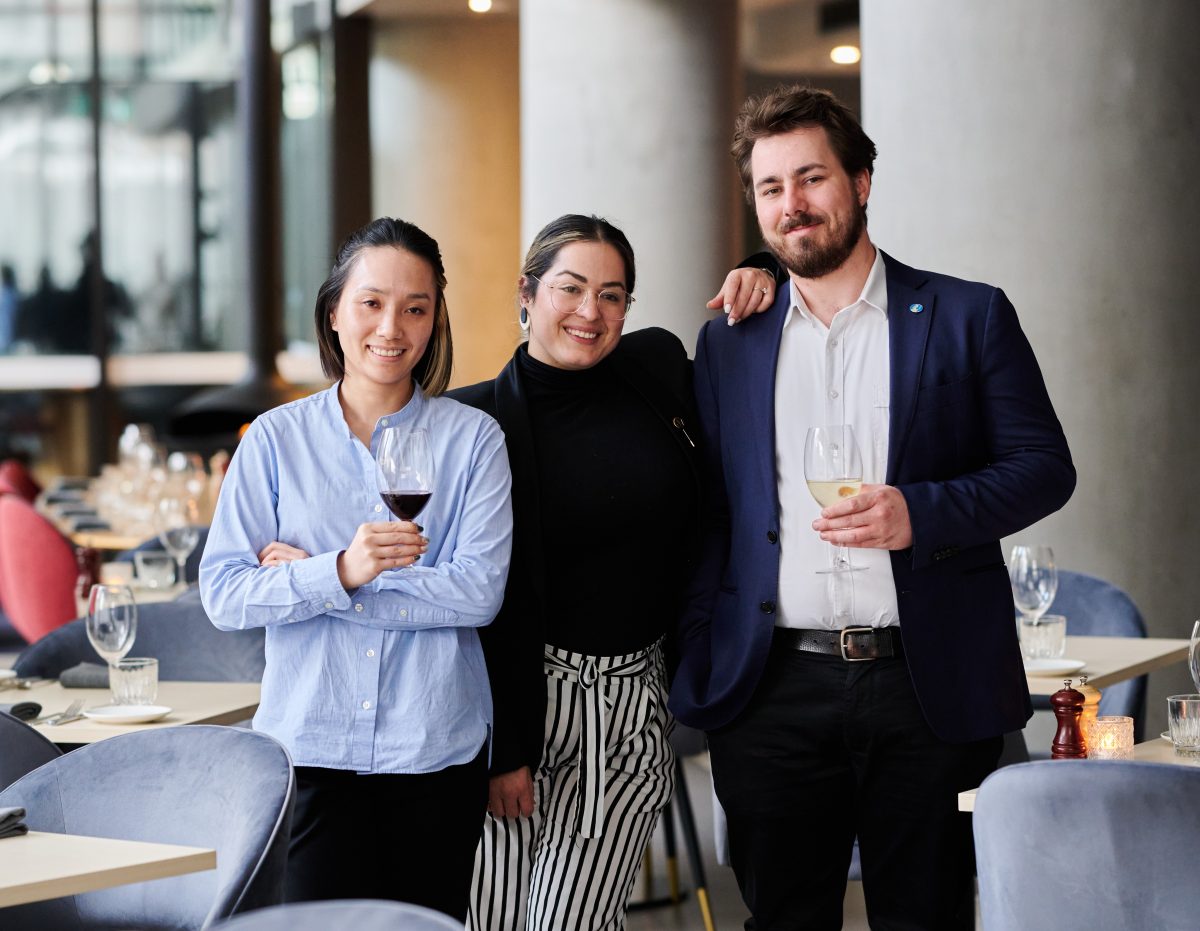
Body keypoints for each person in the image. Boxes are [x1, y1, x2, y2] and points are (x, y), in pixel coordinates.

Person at [669, 85, 1076, 930]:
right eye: (771, 188)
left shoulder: (968, 314)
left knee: (927, 917)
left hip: (926, 689)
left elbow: (1045, 469)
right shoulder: (729, 339)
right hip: (772, 688)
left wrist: (921, 512)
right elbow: (715, 510)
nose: (793, 205)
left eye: (811, 178)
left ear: (860, 181)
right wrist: (704, 646)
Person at [451, 214, 771, 931]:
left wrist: (763, 267)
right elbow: (466, 596)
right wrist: (507, 752)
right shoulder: (471, 423)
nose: (591, 313)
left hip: (631, 705)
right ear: (527, 294)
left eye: (613, 294)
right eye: (571, 288)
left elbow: (755, 347)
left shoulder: (656, 367)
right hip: (517, 706)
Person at [199, 216, 513, 920]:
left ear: (435, 321)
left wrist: (323, 584)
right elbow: (223, 593)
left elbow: (478, 592)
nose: (391, 327)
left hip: (434, 754)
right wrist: (341, 568)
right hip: (309, 754)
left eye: (416, 307)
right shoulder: (274, 440)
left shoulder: (473, 441)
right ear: (335, 312)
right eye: (371, 302)